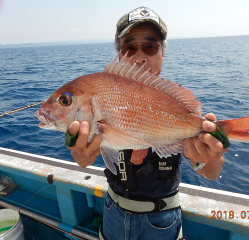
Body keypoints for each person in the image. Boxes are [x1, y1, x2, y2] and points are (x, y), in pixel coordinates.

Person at [66, 7, 228, 240]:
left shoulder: (174, 104)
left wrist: (210, 156)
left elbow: (212, 173)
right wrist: (80, 151)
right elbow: (83, 161)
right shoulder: (99, 99)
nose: (139, 56)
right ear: (119, 54)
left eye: (150, 46)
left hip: (162, 220)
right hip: (113, 212)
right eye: (129, 47)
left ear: (162, 53)